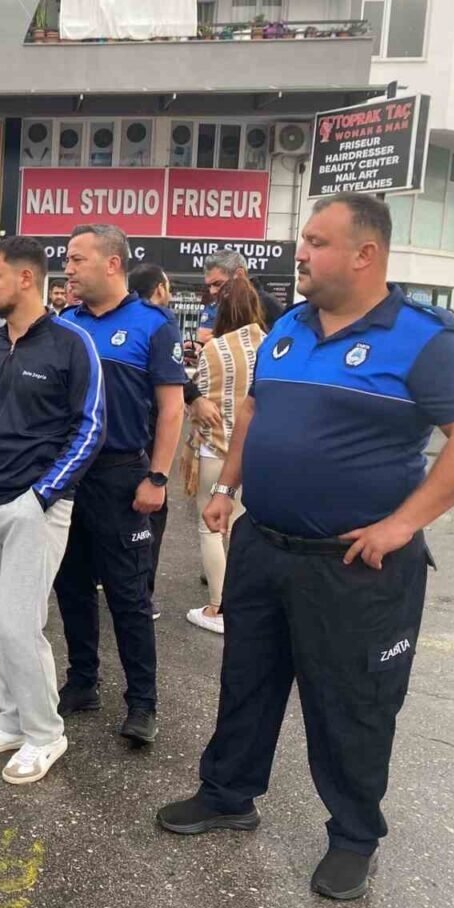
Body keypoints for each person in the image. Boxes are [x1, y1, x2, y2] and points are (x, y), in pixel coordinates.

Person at [157, 193, 454, 901]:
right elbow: (255, 408)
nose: (302, 253)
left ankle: (353, 837)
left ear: (365, 254)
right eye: (304, 241)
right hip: (264, 546)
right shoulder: (288, 326)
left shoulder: (423, 339)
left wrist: (401, 524)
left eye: (317, 242)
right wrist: (228, 486)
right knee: (247, 681)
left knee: (353, 704)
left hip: (354, 569)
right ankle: (228, 794)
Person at [0, 236, 105, 785]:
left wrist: (42, 496)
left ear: (25, 279)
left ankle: (45, 733)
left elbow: (90, 426)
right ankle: (13, 720)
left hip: (33, 507)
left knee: (19, 627)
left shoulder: (72, 342)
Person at [53, 225, 186, 746]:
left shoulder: (152, 325)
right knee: (71, 586)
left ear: (112, 264)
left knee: (128, 596)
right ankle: (82, 682)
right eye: (67, 259)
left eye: (77, 259)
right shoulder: (67, 323)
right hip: (71, 476)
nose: (68, 268)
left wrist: (157, 477)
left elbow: (172, 409)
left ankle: (142, 703)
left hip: (122, 476)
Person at [181, 272, 267, 636]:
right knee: (243, 530)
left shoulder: (214, 349)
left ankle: (218, 606)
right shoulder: (271, 344)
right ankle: (246, 603)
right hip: (256, 452)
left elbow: (196, 397)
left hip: (215, 449)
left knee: (211, 527)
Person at [127, 262, 174, 611]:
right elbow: (171, 397)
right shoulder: (160, 325)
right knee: (149, 518)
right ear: (159, 288)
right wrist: (159, 476)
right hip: (147, 438)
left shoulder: (128, 321)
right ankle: (142, 591)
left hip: (124, 440)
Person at [196, 250, 283, 346]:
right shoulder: (216, 305)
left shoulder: (269, 305)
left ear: (240, 274)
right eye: (209, 286)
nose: (212, 291)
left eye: (218, 284)